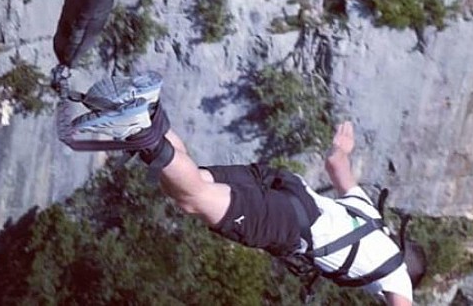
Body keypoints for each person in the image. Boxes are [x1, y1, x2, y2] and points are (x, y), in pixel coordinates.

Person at [72, 72, 426, 305]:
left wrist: (344, 149)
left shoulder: (372, 219)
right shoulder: (397, 277)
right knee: (193, 197)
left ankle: (147, 110)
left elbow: (336, 164)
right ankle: (138, 126)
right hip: (288, 223)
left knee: (192, 182)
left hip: (287, 186)